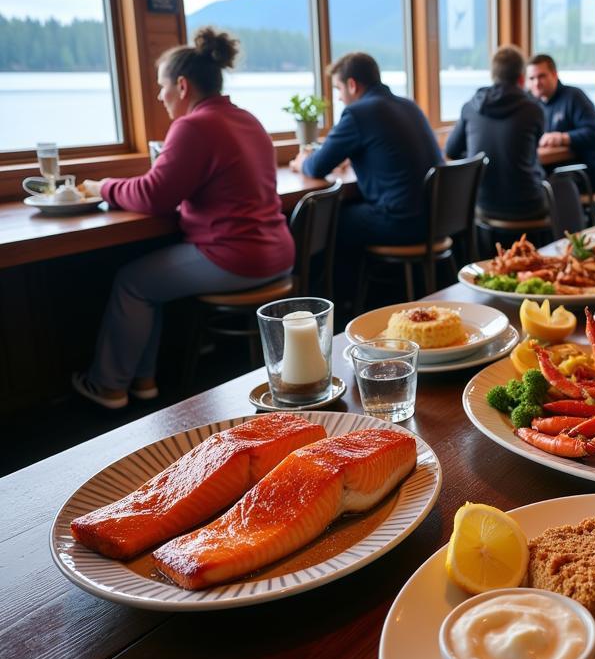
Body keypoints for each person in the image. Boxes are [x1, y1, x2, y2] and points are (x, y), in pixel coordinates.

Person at [74, 29, 295, 409]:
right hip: (277, 253)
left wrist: (101, 187)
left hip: (237, 257)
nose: (159, 97)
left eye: (162, 87)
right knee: (149, 282)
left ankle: (110, 385)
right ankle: (143, 381)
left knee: (133, 283)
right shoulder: (247, 120)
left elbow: (153, 195)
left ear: (181, 85)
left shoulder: (194, 126)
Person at [291, 52, 442, 246]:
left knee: (323, 219)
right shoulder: (408, 105)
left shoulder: (358, 113)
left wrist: (302, 161)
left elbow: (317, 166)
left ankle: (337, 278)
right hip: (437, 220)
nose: (339, 98)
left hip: (401, 223)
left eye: (339, 88)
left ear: (352, 85)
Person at [445, 44, 546, 220]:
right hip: (527, 204)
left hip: (482, 202)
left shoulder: (470, 107)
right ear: (522, 79)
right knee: (556, 188)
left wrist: (477, 155)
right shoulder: (533, 110)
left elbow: (451, 151)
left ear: (493, 76)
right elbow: (532, 152)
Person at [525, 53, 595, 184]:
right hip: (551, 169)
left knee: (536, 185)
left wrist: (561, 138)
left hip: (582, 171)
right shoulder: (530, 104)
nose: (536, 83)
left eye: (541, 76)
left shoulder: (574, 97)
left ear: (555, 75)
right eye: (532, 78)